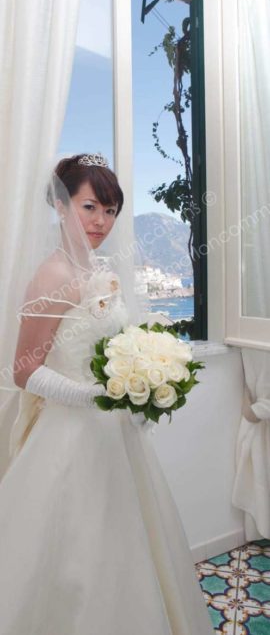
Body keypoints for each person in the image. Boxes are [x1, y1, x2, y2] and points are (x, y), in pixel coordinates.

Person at [0, 154, 214, 635]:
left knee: (130, 550)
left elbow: (115, 344)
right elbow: (24, 370)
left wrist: (144, 386)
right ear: (60, 204)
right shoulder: (52, 275)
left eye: (111, 210)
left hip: (116, 437)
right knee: (72, 556)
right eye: (90, 206)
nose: (102, 221)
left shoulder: (100, 267)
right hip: (70, 438)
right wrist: (92, 397)